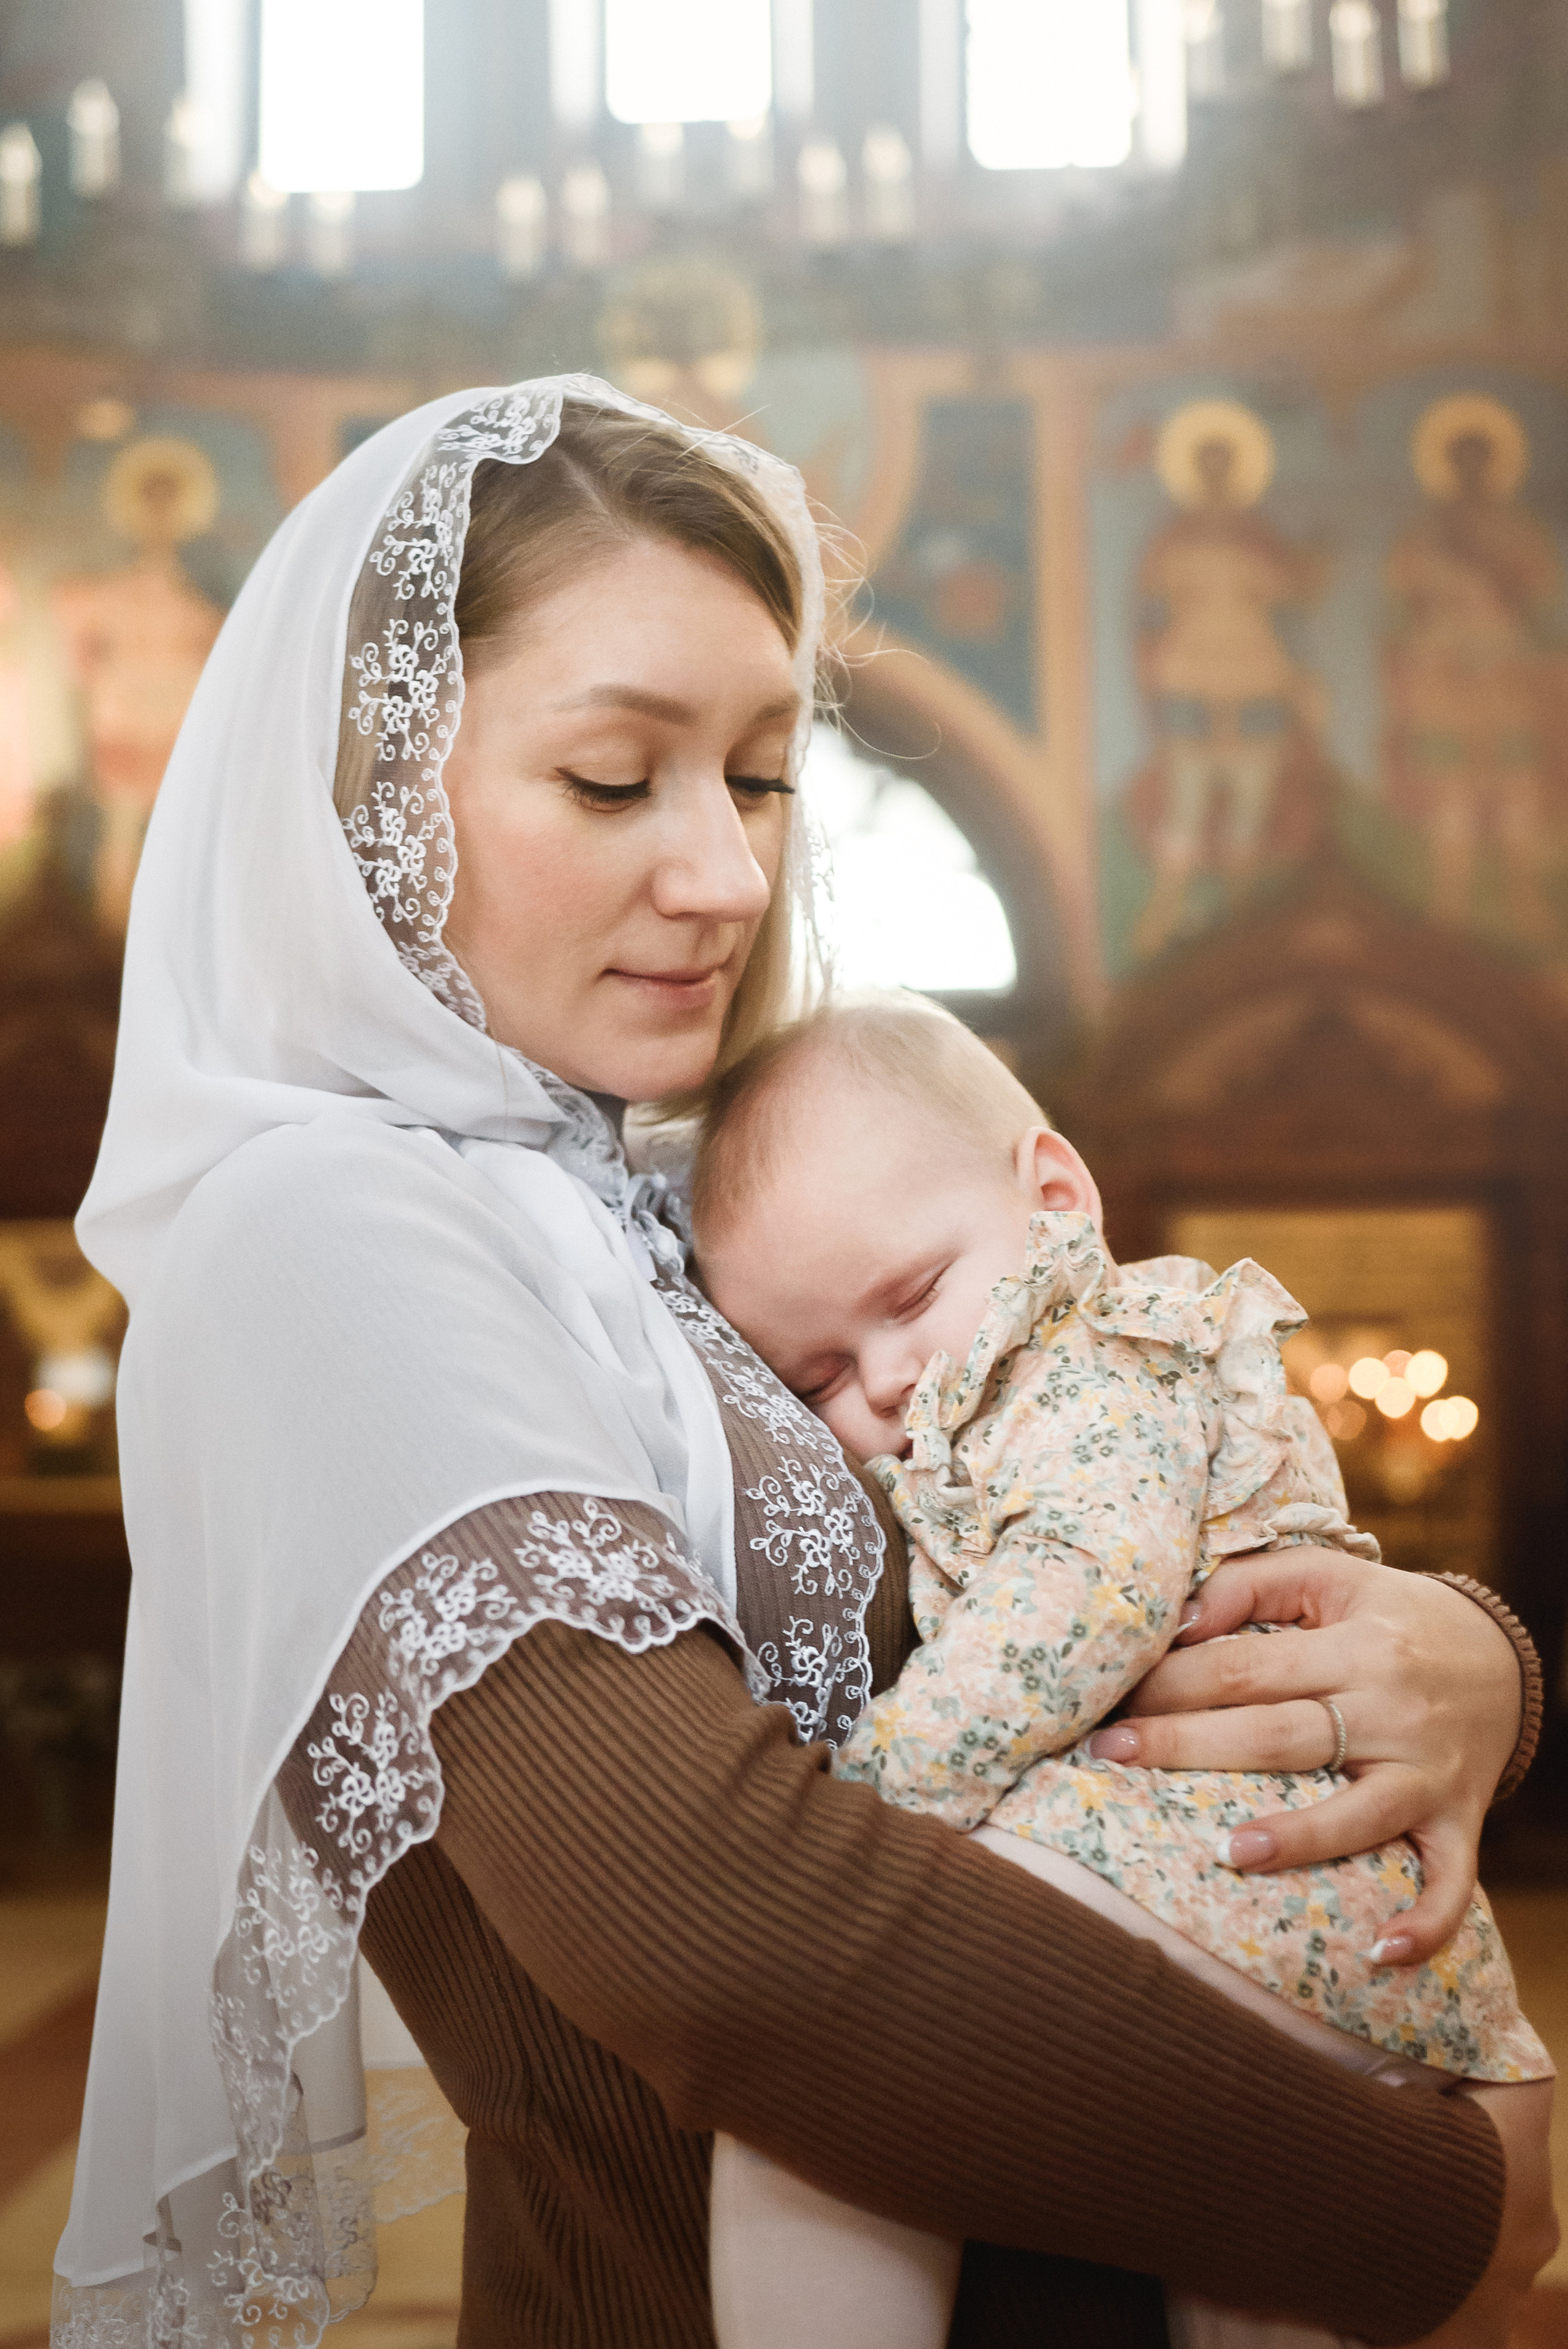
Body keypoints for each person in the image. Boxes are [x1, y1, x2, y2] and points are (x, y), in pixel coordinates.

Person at [57, 378, 1549, 2349]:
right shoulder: (324, 1231)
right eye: (614, 781)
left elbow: (1071, 1528)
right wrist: (1440, 2218)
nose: (733, 875)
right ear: (373, 787)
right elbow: (714, 1931)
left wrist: (1455, 1655)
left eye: (760, 776)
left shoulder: (655, 1201)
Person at [692, 997, 1556, 2349]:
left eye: (910, 1298)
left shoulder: (1098, 1366)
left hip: (1228, 1862)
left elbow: (1085, 1599)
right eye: (818, 1376)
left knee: (820, 2104)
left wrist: (869, 1792)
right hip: (1244, 1885)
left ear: (1051, 1193)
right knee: (1245, 2284)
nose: (892, 1381)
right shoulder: (981, 1407)